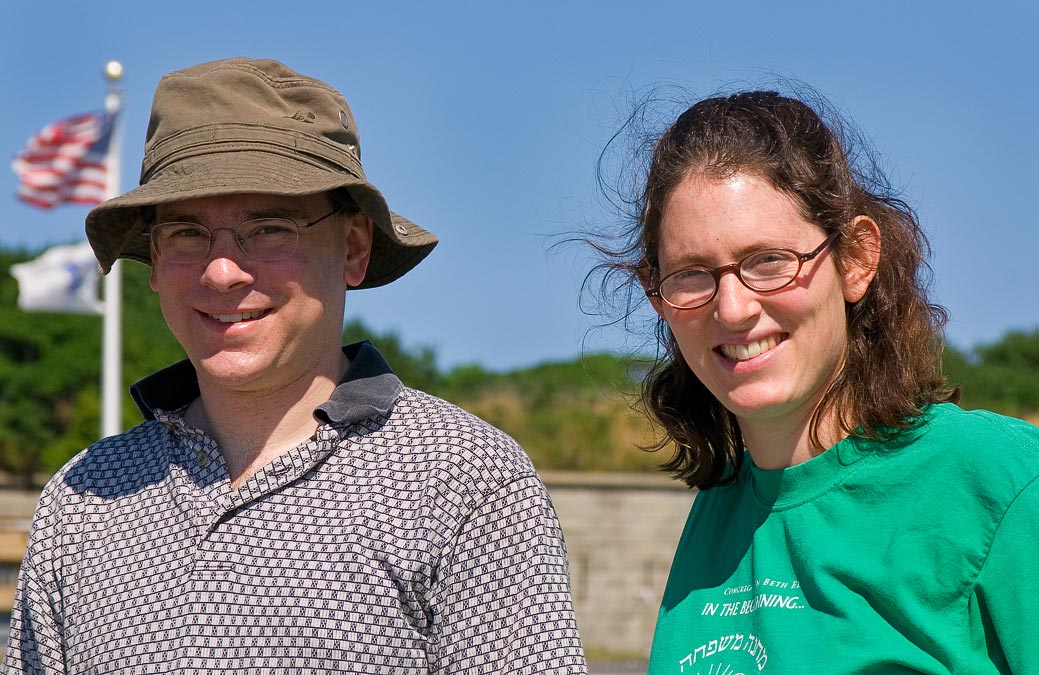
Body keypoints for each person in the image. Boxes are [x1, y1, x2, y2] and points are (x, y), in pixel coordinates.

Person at [2, 57, 586, 674]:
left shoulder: (462, 480)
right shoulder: (83, 501)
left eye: (270, 228)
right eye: (186, 233)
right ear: (153, 257)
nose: (222, 271)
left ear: (354, 248)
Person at [589, 89, 1039, 673]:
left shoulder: (998, 482)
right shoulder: (722, 507)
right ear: (659, 296)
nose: (732, 308)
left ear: (854, 260)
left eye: (769, 261)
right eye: (692, 274)